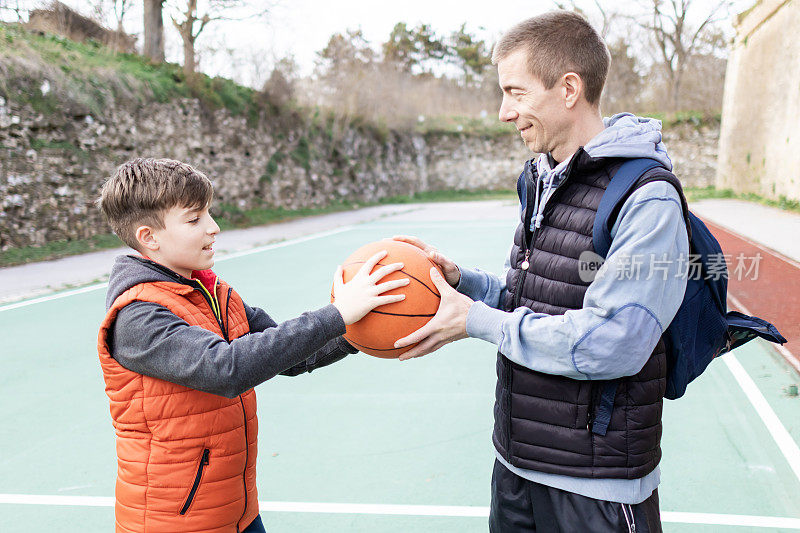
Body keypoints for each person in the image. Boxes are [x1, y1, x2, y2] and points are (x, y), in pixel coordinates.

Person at [394, 11, 690, 533]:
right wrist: (466, 284)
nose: (504, 112)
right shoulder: (540, 177)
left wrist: (477, 322)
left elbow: (615, 341)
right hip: (516, 466)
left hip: (594, 485)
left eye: (516, 92)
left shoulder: (647, 198)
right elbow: (536, 296)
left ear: (569, 88)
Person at [96, 158, 407, 532]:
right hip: (175, 522)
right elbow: (227, 369)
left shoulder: (215, 293)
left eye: (209, 214)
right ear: (149, 237)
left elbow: (290, 357)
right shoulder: (138, 316)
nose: (214, 228)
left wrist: (362, 326)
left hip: (237, 510)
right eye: (194, 220)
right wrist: (338, 313)